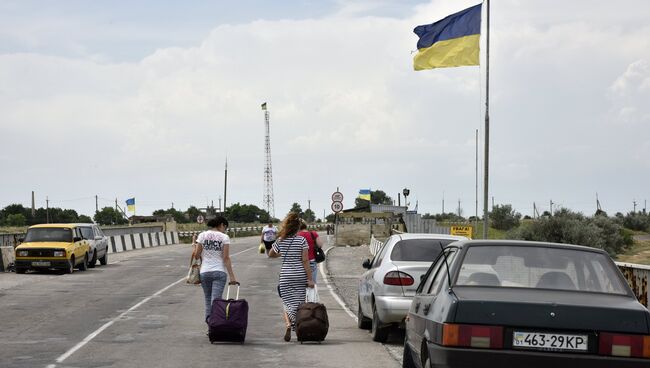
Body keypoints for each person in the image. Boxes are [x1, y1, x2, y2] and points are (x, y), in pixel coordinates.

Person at [268, 212, 314, 342]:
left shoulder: (280, 240)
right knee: (299, 304)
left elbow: (271, 254)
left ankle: (289, 324)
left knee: (287, 303)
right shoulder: (301, 240)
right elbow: (305, 261)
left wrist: (281, 255)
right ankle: (299, 327)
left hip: (286, 276)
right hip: (300, 275)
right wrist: (310, 279)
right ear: (297, 228)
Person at [192, 216, 237, 327]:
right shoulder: (224, 237)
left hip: (205, 272)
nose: (225, 230)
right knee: (216, 301)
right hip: (219, 272)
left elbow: (197, 256)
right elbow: (226, 258)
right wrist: (232, 277)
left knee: (208, 300)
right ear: (222, 224)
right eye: (225, 227)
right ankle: (215, 325)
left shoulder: (202, 235)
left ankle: (210, 326)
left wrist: (194, 244)